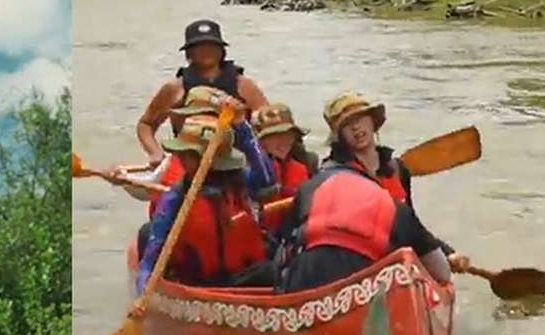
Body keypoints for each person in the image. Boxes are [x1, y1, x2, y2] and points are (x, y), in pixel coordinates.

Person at [319, 91, 470, 272]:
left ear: (373, 122)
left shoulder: (397, 169)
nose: (356, 128)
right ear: (339, 136)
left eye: (360, 119)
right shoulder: (333, 175)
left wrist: (447, 253)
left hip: (399, 260)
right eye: (347, 125)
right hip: (359, 265)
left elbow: (412, 226)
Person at [136, 107, 278, 291]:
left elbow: (267, 179)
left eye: (188, 154)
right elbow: (150, 258)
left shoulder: (239, 181)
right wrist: (143, 288)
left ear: (211, 158)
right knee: (145, 233)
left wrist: (243, 128)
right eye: (182, 153)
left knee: (277, 268)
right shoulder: (177, 195)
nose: (181, 158)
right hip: (196, 284)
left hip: (242, 279)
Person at [272, 160, 456, 296]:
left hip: (307, 280)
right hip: (367, 289)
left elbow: (283, 248)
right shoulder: (398, 209)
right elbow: (441, 273)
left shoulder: (309, 188)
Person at [135, 20, 268, 163]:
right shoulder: (174, 88)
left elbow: (269, 122)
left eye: (211, 46)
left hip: (236, 162)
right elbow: (146, 125)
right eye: (199, 47)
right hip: (189, 163)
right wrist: (155, 153)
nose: (206, 51)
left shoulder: (243, 84)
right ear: (189, 52)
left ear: (221, 50)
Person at [252, 103, 316, 235]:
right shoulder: (247, 172)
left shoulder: (304, 167)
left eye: (288, 134)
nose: (283, 141)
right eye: (274, 135)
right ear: (260, 141)